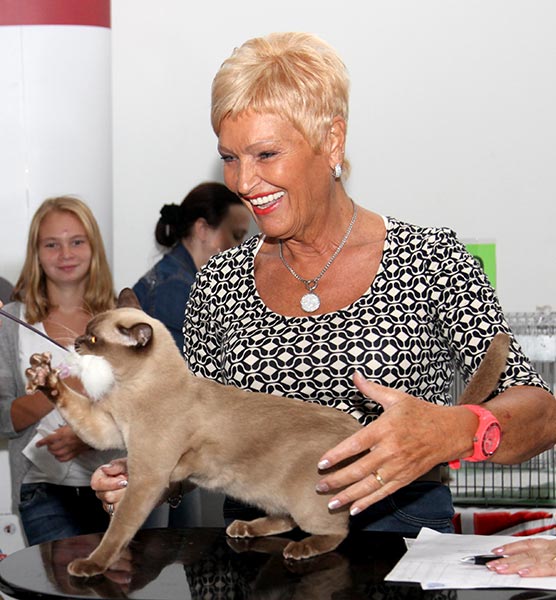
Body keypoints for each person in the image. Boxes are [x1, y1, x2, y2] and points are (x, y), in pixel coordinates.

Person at [92, 32, 555, 536]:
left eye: (266, 154)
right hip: (256, 545)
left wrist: (455, 430)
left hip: (394, 539)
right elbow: (195, 437)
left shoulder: (430, 259)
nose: (243, 182)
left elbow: (540, 413)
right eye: (230, 158)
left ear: (332, 140)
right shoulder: (219, 282)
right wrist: (147, 474)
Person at [0, 195, 120, 545]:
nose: (65, 254)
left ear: (94, 248)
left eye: (77, 242)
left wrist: (89, 434)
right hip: (42, 489)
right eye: (52, 244)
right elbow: (3, 419)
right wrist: (67, 384)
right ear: (36, 254)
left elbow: (149, 412)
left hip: (117, 486)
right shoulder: (12, 322)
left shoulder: (122, 319)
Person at [132, 182, 251, 349]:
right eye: (237, 235)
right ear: (202, 229)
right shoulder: (174, 290)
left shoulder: (179, 281)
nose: (241, 247)